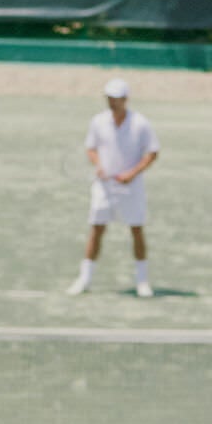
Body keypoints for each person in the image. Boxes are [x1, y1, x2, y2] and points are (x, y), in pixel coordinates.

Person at [70, 79, 158, 296]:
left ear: (125, 99)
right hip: (104, 187)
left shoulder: (140, 123)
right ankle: (84, 279)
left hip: (132, 188)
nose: (112, 102)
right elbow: (91, 148)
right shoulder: (98, 121)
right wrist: (99, 165)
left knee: (136, 230)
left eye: (116, 98)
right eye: (109, 98)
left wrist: (132, 174)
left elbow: (152, 152)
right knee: (96, 229)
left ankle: (142, 281)